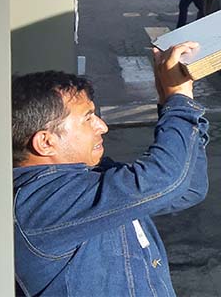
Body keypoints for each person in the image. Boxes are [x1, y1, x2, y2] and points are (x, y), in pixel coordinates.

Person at [13, 42, 207, 297]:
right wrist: (178, 102)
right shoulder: (38, 205)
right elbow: (165, 180)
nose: (102, 126)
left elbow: (187, 188)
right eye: (88, 118)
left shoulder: (88, 175)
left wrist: (169, 102)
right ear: (46, 142)